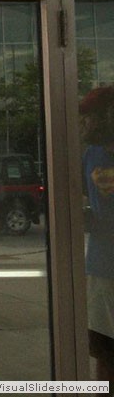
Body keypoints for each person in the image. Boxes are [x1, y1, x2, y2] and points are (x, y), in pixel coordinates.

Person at [80, 86, 114, 387]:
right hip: (103, 269)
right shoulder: (91, 154)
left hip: (106, 267)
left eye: (89, 117)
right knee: (105, 352)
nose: (84, 124)